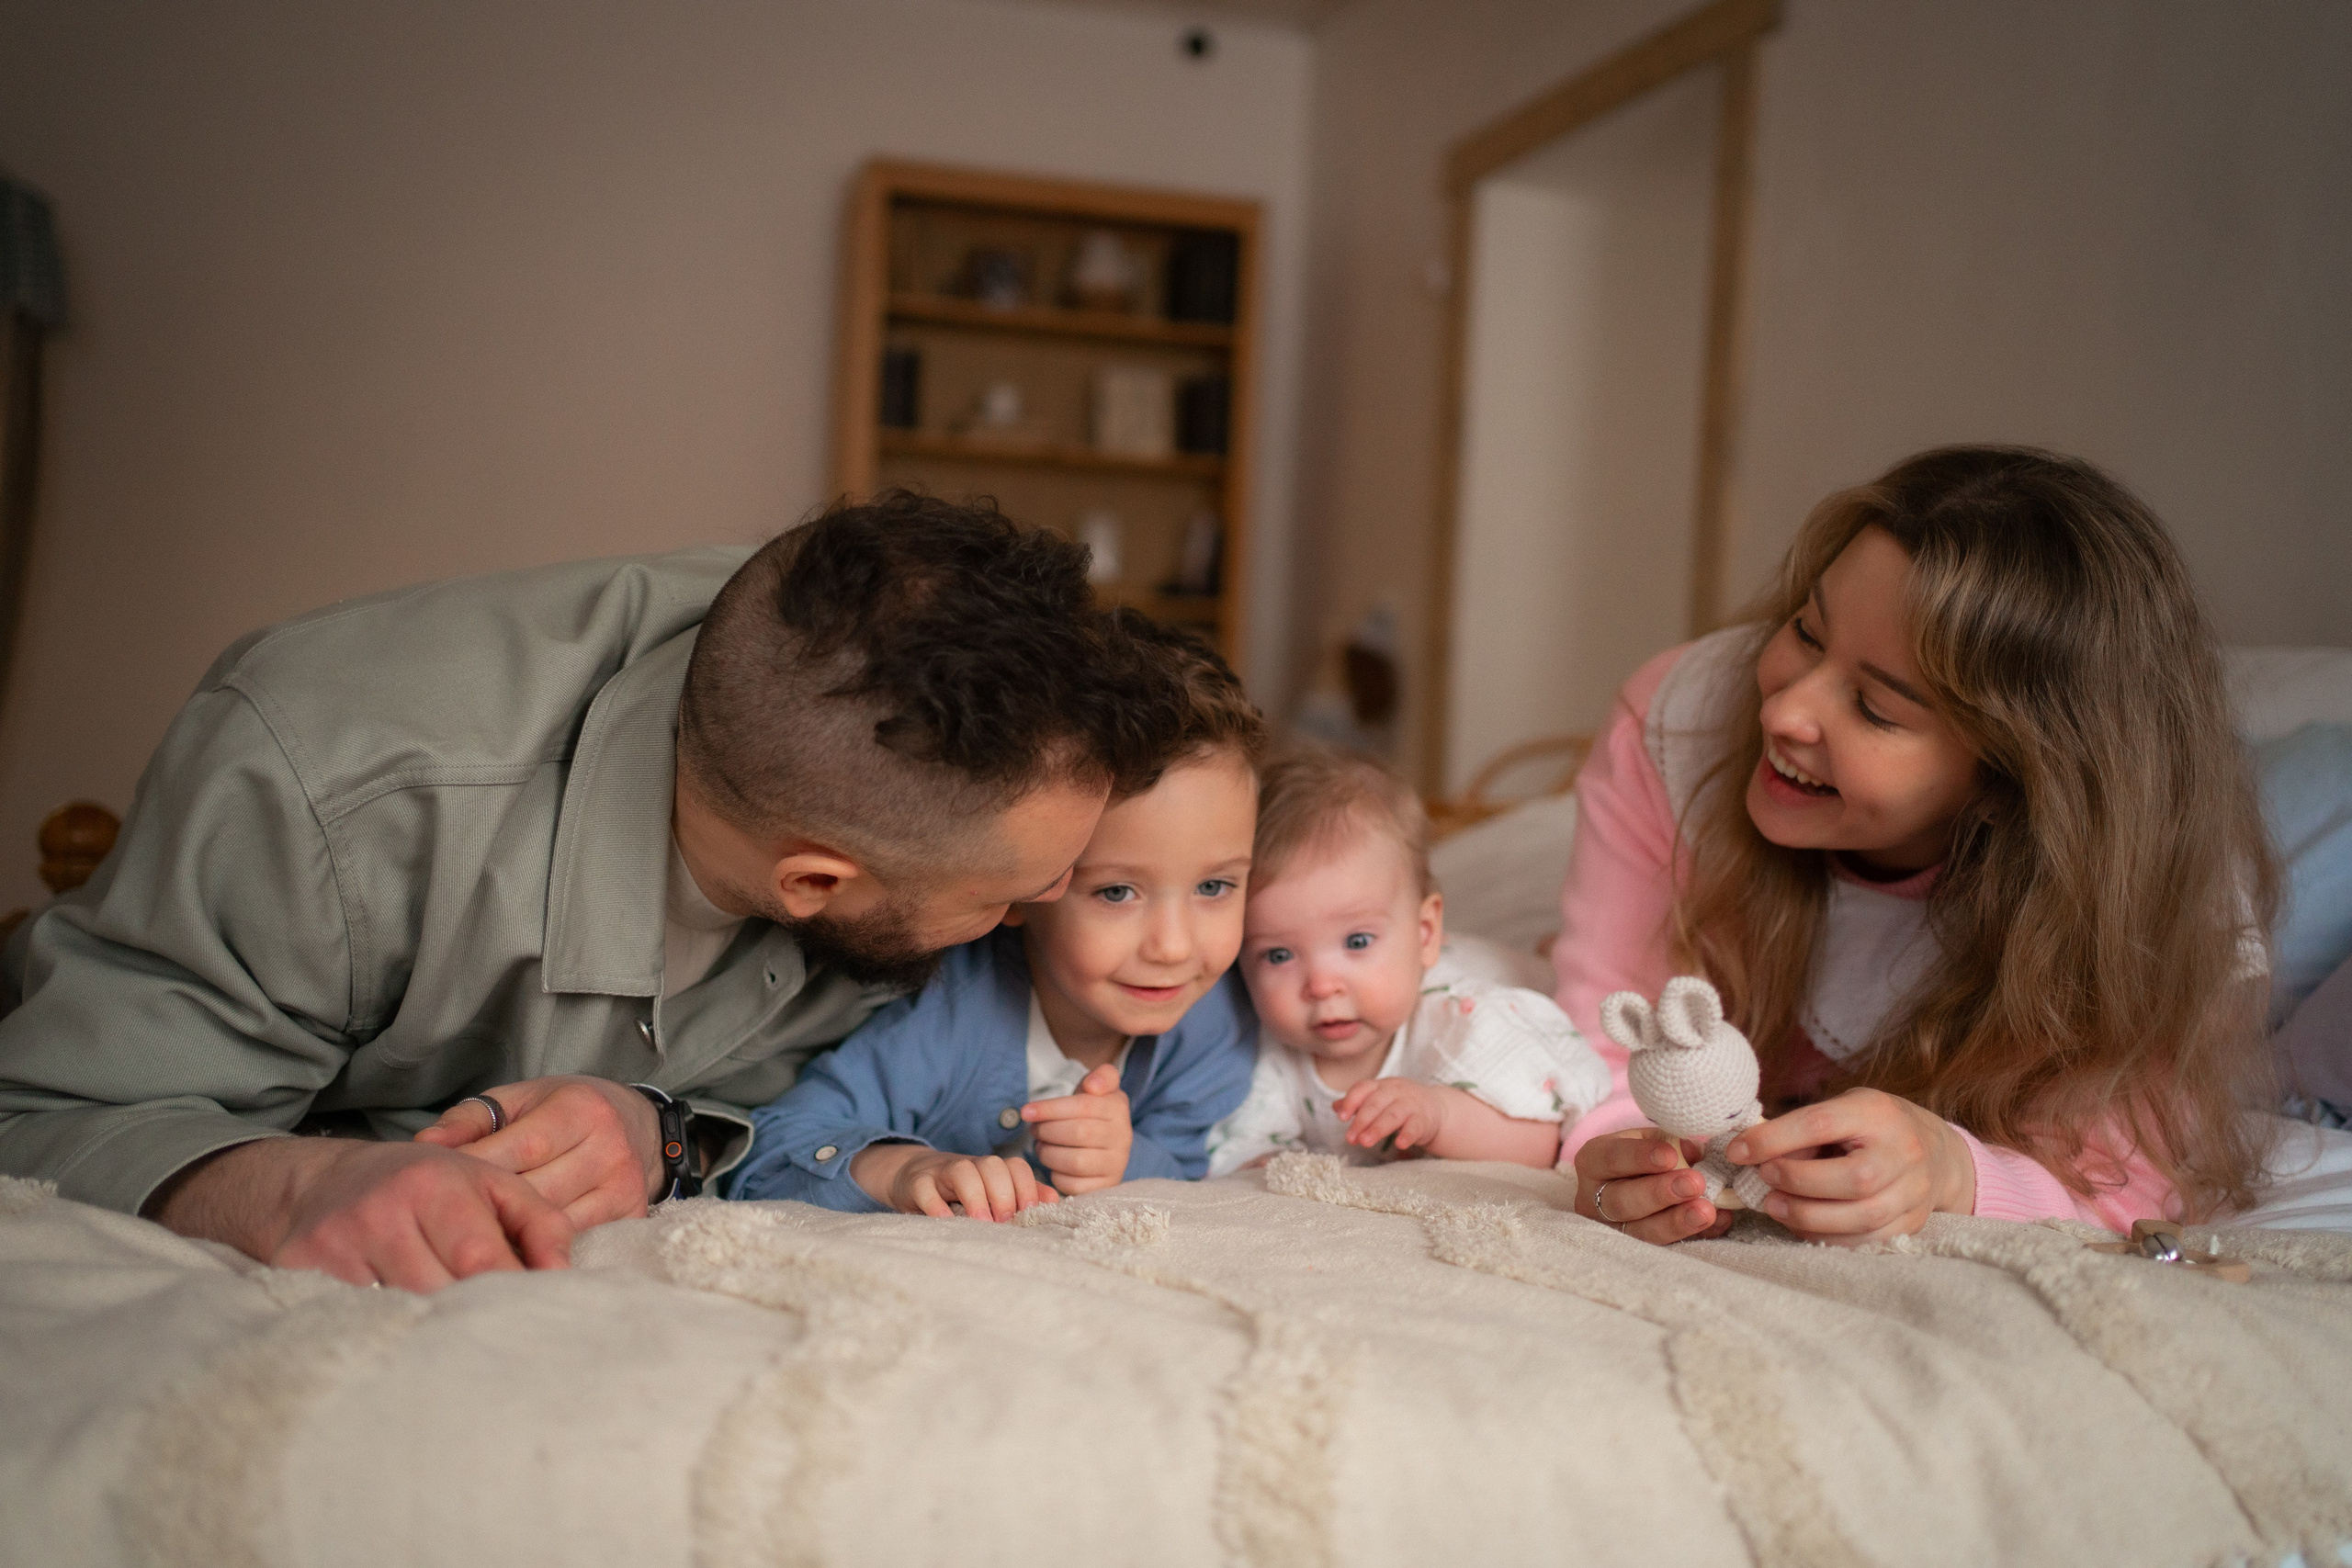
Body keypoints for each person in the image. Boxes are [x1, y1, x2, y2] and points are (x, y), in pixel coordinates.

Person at [0, 491, 1196, 1290]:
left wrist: (658, 1126)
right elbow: (41, 1114)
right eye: (1006, 900)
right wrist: (300, 1180)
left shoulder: (882, 758)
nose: (1030, 928)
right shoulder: (331, 788)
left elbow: (816, 1105)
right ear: (813, 881)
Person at [1558, 446, 2279, 1247]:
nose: (1785, 713)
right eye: (1805, 630)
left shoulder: (2154, 908)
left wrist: (1952, 1169)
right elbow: (1604, 1039)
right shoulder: (1676, 732)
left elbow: (2129, 1180)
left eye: (1873, 707)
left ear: (2012, 780)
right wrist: (1628, 1161)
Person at [725, 621, 1264, 1219]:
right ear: (1026, 888)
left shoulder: (1217, 1019)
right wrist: (901, 1169)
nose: (1173, 946)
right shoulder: (949, 1008)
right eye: (1116, 891)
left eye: (1215, 886)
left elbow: (1198, 1175)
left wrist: (1130, 1161)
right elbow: (771, 1148)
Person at [1208, 748, 1611, 1174]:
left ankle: (1543, 954)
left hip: (1495, 977)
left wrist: (1441, 1115)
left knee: (1546, 973)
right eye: (1279, 955)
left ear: (1424, 934)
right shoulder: (1266, 1050)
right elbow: (1237, 1149)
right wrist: (1263, 1164)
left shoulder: (1459, 1021)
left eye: (1358, 941)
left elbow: (1541, 1141)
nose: (1323, 985)